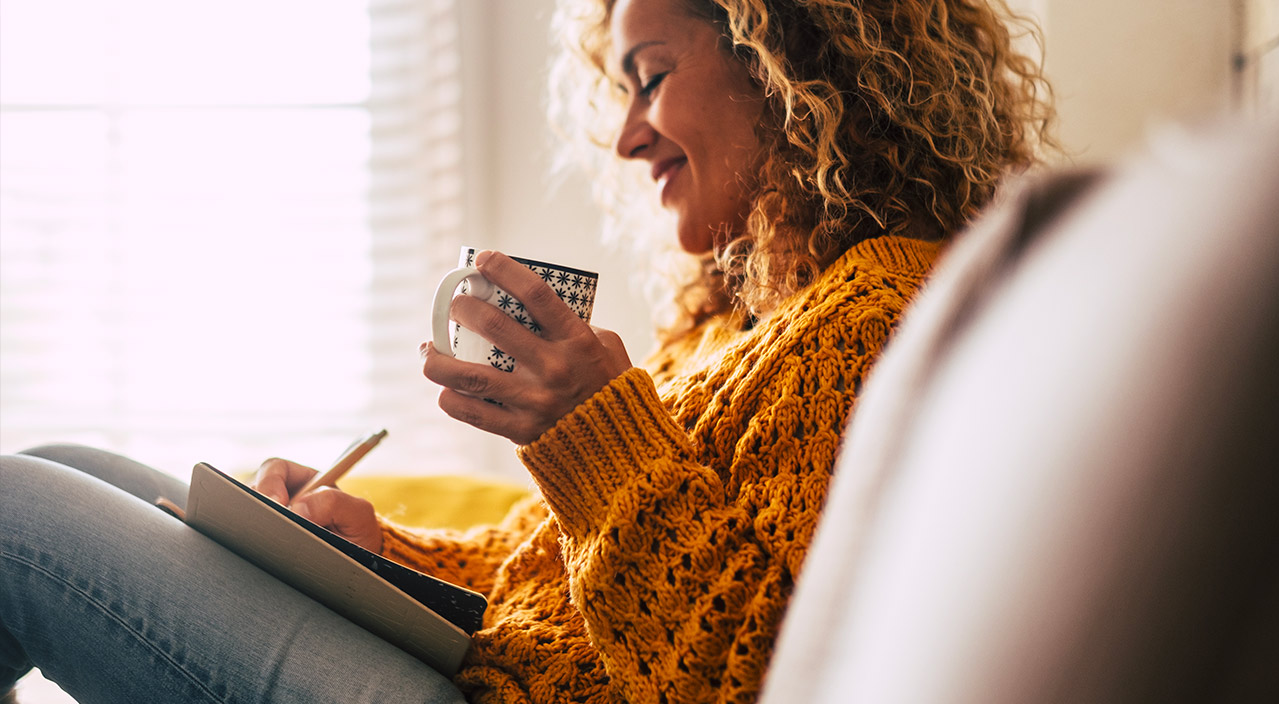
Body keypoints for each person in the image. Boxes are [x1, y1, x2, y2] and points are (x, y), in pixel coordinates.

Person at [0, 0, 1053, 701]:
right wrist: (376, 552)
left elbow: (751, 673)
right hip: (496, 670)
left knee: (13, 509)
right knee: (68, 466)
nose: (627, 134)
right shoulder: (742, 318)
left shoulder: (877, 314)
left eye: (649, 77)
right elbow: (548, 585)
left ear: (787, 60)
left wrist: (593, 430)